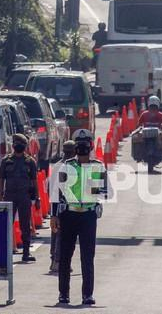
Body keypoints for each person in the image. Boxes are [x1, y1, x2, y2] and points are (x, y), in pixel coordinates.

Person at [52, 129, 107, 306]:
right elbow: (57, 192)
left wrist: (95, 187)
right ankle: (63, 294)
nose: (83, 148)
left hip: (88, 216)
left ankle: (87, 295)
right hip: (68, 215)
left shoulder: (98, 166)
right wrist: (54, 215)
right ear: (75, 147)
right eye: (79, 145)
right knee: (65, 256)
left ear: (90, 146)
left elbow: (105, 192)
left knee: (87, 257)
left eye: (86, 145)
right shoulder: (67, 166)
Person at [0, 133, 39, 262]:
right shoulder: (6, 161)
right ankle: (3, 253)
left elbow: (34, 181)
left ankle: (26, 252)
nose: (18, 146)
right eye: (16, 143)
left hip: (24, 196)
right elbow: (1, 180)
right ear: (14, 145)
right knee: (6, 224)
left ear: (25, 146)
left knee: (25, 224)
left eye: (21, 144)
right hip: (9, 196)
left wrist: (37, 198)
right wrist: (0, 198)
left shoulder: (30, 161)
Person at [49, 140, 76, 273]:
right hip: (65, 205)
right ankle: (58, 262)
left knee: (55, 234)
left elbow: (50, 188)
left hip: (55, 204)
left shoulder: (56, 166)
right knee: (63, 235)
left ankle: (54, 260)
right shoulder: (70, 167)